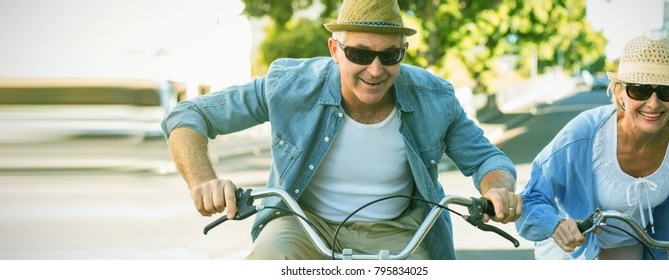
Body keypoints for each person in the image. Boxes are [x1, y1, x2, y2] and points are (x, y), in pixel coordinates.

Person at [161, 0, 520, 260]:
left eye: (390, 56)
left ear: (403, 53)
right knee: (267, 259)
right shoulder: (289, 85)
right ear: (336, 50)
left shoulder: (434, 97)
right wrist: (202, 181)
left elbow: (487, 159)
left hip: (401, 232)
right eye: (361, 55)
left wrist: (498, 190)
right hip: (304, 225)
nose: (376, 70)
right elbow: (188, 115)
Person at [514, 36, 669, 259]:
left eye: (667, 91)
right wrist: (556, 225)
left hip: (634, 251)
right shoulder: (582, 135)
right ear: (619, 92)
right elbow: (532, 198)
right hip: (573, 253)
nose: (653, 104)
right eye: (639, 90)